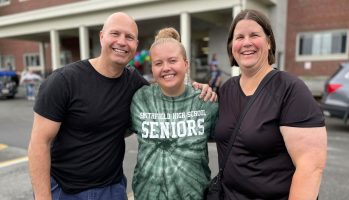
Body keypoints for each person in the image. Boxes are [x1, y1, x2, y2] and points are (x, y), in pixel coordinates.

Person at [27, 12, 215, 200]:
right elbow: (39, 143)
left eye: (129, 37)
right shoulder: (64, 81)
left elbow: (165, 88)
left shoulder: (136, 85)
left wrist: (196, 88)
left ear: (135, 45)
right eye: (115, 34)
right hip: (66, 191)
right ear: (102, 37)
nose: (122, 42)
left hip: (113, 189)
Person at [214, 9, 327, 200]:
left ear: (269, 42)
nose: (246, 42)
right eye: (239, 37)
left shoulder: (290, 89)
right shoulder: (226, 90)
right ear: (232, 45)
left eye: (254, 35)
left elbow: (311, 168)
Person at [130, 27, 218, 200]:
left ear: (185, 64)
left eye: (172, 61)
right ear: (152, 67)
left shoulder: (205, 101)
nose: (166, 68)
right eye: (158, 63)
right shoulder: (140, 99)